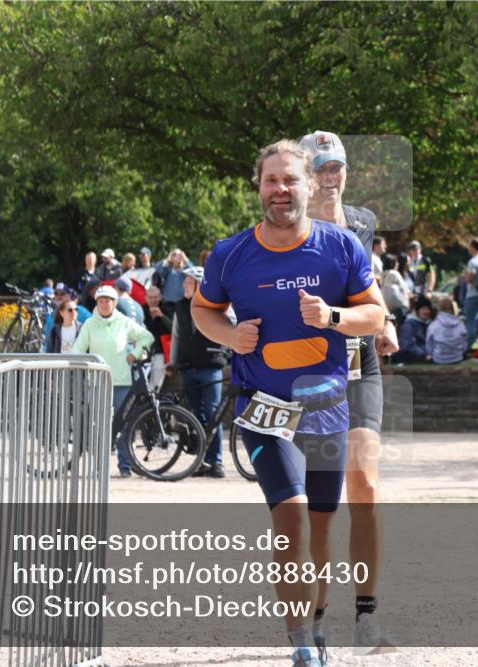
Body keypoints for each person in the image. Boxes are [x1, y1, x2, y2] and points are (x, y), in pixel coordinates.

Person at [191, 139, 385, 667]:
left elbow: (376, 317)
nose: (281, 189)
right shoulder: (231, 254)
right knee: (292, 516)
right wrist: (229, 337)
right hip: (263, 407)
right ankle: (301, 646)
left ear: (309, 184)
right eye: (271, 180)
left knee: (322, 525)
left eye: (290, 179)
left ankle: (318, 624)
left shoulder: (341, 247)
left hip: (326, 408)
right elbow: (202, 310)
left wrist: (333, 318)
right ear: (258, 187)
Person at [299, 130, 399, 656]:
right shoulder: (287, 231)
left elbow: (369, 282)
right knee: (321, 504)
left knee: (365, 483)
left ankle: (366, 615)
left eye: (336, 165)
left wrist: (384, 319)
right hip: (312, 373)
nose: (331, 175)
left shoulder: (361, 223)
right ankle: (315, 616)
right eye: (321, 166)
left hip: (362, 365)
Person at [73, 284, 155, 478]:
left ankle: (124, 466)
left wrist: (135, 353)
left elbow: (147, 337)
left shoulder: (125, 322)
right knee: (99, 425)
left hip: (122, 381)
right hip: (98, 381)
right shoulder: (89, 325)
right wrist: (85, 365)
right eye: (101, 301)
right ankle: (99, 467)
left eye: (108, 301)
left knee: (124, 425)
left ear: (115, 303)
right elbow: (77, 349)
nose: (104, 304)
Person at [170, 266, 229, 478]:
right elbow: (176, 335)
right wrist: (172, 361)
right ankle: (202, 461)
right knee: (195, 415)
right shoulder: (180, 306)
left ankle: (217, 461)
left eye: (188, 282)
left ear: (198, 284)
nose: (184, 286)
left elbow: (231, 325)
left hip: (210, 365)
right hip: (188, 367)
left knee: (214, 413)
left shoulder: (218, 305)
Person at [143, 285, 173, 390]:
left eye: (155, 297)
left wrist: (162, 316)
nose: (153, 300)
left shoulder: (167, 309)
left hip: (161, 352)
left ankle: (153, 401)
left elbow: (174, 329)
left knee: (155, 385)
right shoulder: (142, 310)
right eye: (150, 297)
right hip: (144, 351)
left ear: (160, 297)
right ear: (145, 298)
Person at [425, 296, 466, 364]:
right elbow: (465, 343)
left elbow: (429, 345)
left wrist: (433, 354)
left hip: (439, 359)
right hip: (457, 357)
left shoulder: (433, 325)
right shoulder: (460, 325)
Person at [395, 297, 432, 364]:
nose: (426, 311)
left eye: (428, 309)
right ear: (417, 310)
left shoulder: (428, 323)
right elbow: (407, 345)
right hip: (410, 358)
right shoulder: (409, 325)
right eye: (423, 308)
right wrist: (425, 354)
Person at [379, 254, 410, 324]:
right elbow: (405, 289)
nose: (398, 264)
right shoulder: (394, 273)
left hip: (388, 309)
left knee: (392, 323)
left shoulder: (382, 274)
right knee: (400, 325)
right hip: (399, 308)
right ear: (392, 263)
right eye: (396, 262)